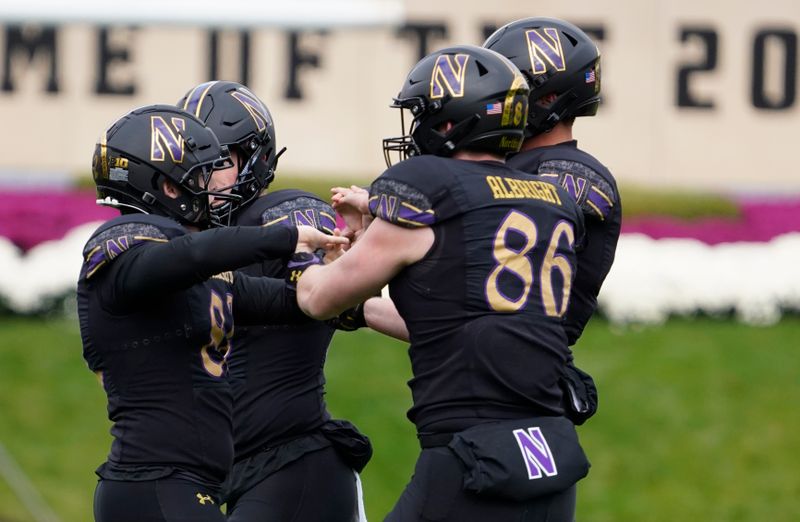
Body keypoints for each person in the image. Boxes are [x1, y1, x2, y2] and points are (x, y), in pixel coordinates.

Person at [295, 45, 590, 521]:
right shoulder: (552, 198)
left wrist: (299, 255)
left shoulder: (428, 183)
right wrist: (366, 296)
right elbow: (456, 315)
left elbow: (317, 298)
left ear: (449, 123)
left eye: (421, 116)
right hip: (549, 454)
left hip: (471, 458)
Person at [78, 104, 346, 522]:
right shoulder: (123, 246)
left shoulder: (181, 276)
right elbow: (190, 254)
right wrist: (284, 237)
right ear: (168, 187)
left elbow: (291, 302)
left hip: (181, 487)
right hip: (154, 484)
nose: (210, 189)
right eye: (200, 176)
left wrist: (359, 267)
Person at [177, 81, 371, 521]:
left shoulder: (285, 213)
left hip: (293, 461)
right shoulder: (197, 246)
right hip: (235, 470)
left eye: (219, 161)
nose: (203, 177)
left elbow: (328, 296)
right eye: (192, 163)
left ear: (255, 158)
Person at [484, 17, 622, 423]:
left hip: (519, 395)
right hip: (477, 387)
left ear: (543, 97)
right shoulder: (514, 165)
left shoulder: (568, 172)